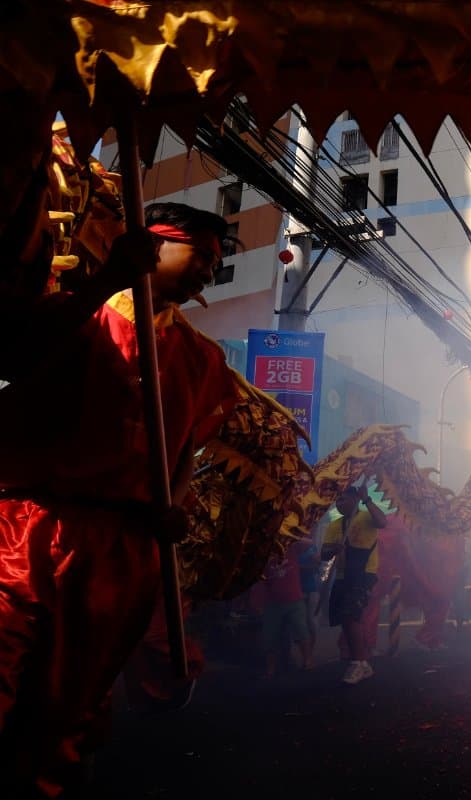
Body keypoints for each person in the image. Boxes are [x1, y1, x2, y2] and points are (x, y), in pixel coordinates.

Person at [0, 201, 239, 796]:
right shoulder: (79, 315)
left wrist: (174, 505)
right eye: (201, 255)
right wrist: (108, 278)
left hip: (122, 544)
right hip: (28, 525)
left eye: (216, 260)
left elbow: (184, 449)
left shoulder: (205, 359)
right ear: (152, 244)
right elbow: (18, 353)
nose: (209, 270)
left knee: (71, 699)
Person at [321, 485, 388, 685]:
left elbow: (382, 522)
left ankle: (358, 662)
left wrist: (367, 499)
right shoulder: (335, 525)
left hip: (363, 575)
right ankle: (360, 661)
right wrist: (333, 548)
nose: (340, 503)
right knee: (345, 618)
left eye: (343, 499)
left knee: (351, 615)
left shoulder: (367, 516)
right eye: (337, 500)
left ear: (354, 499)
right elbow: (324, 553)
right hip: (342, 576)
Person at [259, 538, 316, 677]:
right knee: (269, 637)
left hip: (295, 601)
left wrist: (289, 535)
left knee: (302, 631)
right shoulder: (262, 554)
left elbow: (309, 542)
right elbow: (261, 581)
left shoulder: (292, 549)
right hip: (272, 603)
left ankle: (308, 662)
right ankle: (271, 668)